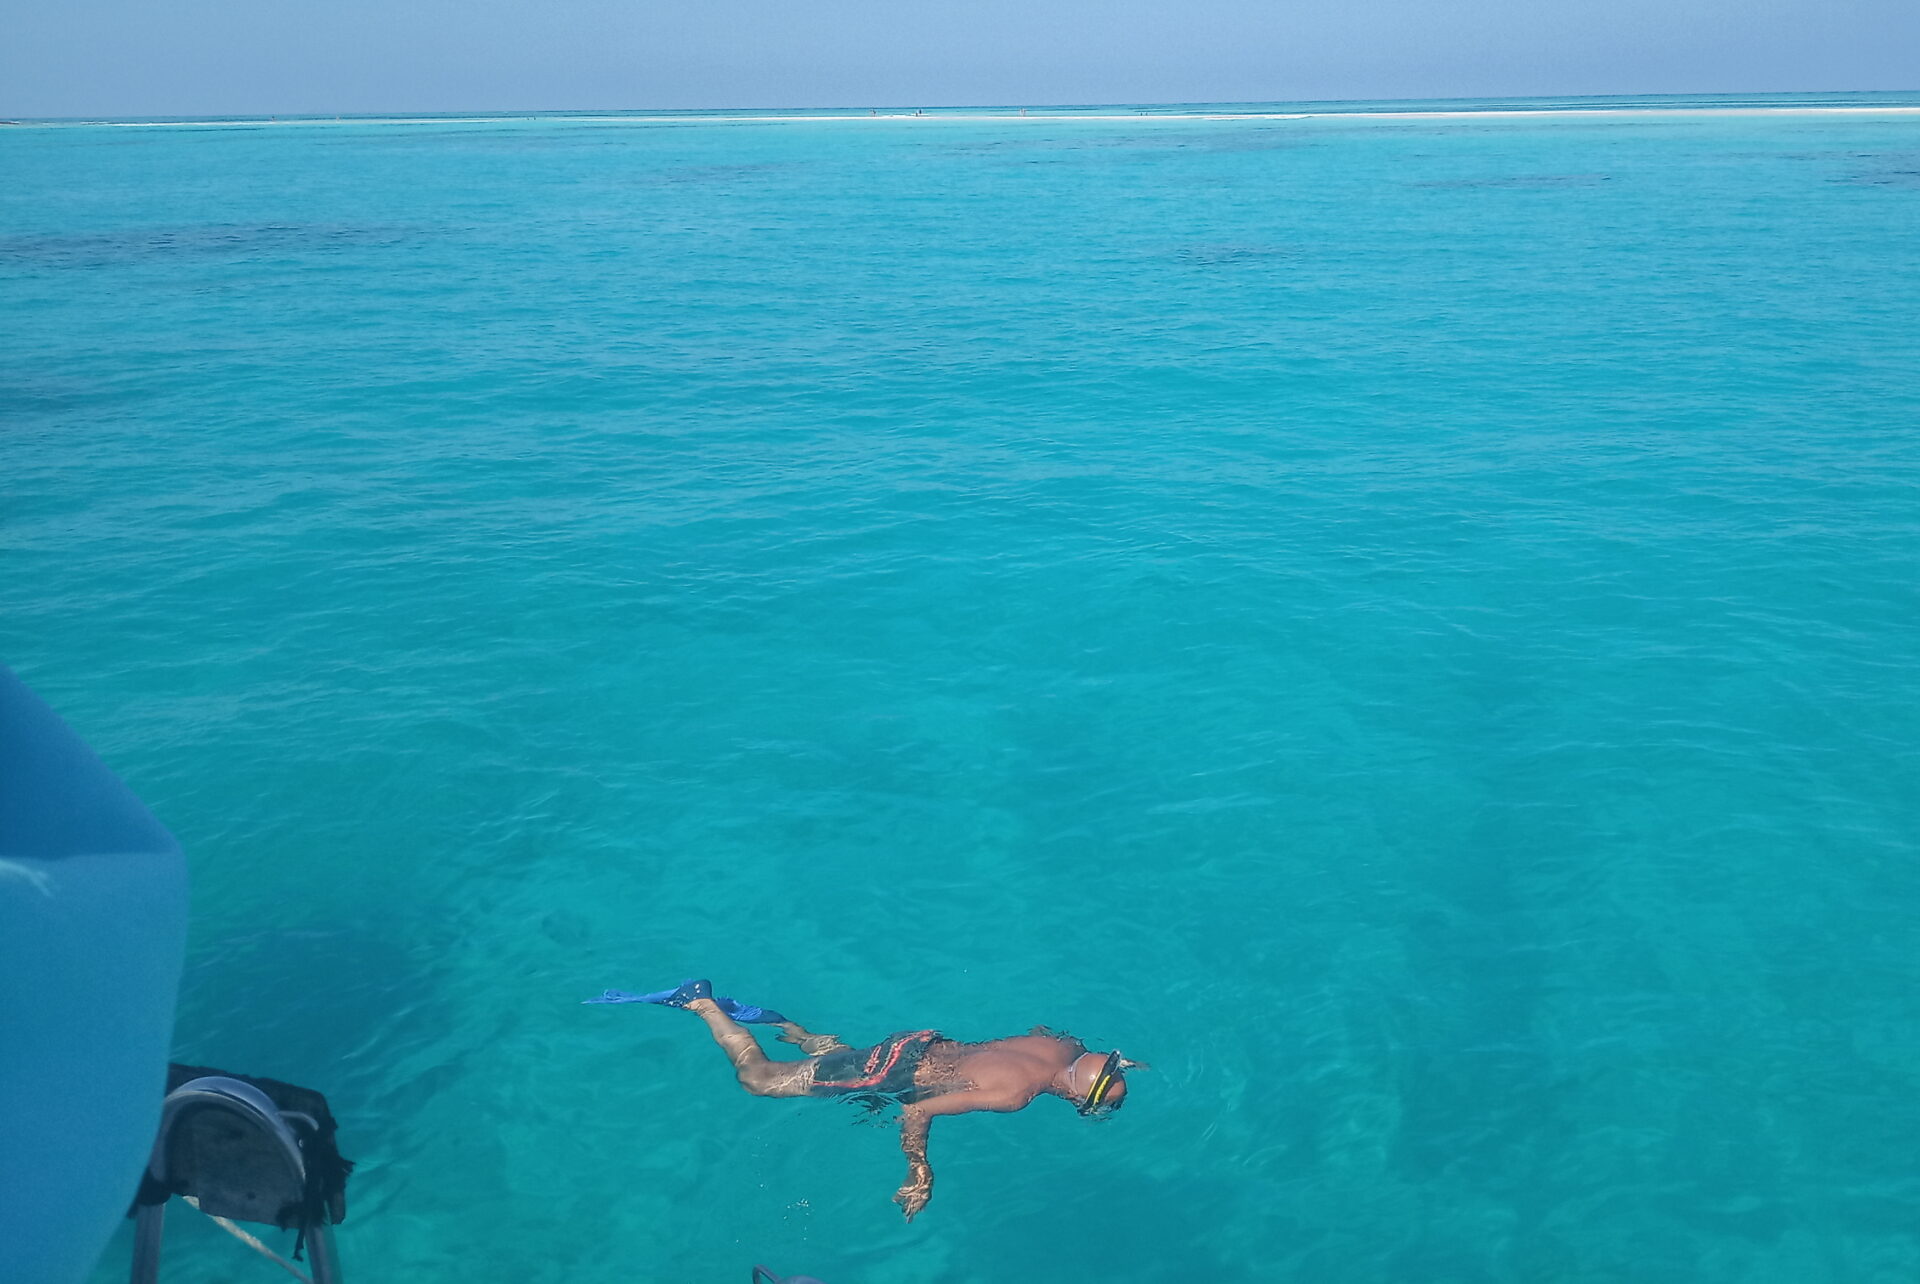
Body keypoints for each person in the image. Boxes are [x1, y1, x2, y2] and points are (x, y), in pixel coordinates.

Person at [598, 980, 1139, 1220]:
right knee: (759, 1081)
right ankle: (702, 1003)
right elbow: (919, 1109)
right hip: (896, 1072)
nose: (1082, 1109)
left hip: (921, 1046)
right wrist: (920, 1170)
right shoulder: (1015, 1094)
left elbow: (1036, 1028)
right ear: (1074, 1090)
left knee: (848, 1074)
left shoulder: (1064, 1045)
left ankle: (795, 1029)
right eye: (1087, 1104)